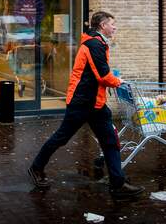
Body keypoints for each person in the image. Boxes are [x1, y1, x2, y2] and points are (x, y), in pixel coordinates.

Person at [28, 10, 145, 199]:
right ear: (102, 25)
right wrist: (118, 81)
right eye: (112, 24)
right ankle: (35, 168)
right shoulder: (93, 44)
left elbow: (99, 74)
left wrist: (113, 80)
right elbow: (103, 75)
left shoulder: (96, 43)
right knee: (62, 137)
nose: (114, 27)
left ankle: (118, 183)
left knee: (110, 141)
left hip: (95, 104)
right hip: (82, 102)